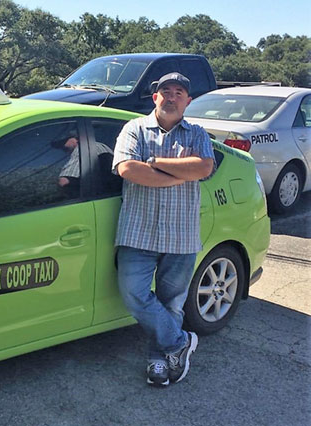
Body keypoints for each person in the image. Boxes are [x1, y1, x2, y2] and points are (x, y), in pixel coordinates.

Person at [111, 72, 215, 387]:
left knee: (172, 303)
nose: (171, 97)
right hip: (137, 233)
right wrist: (178, 174)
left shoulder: (197, 133)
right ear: (155, 97)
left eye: (178, 92)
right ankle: (180, 342)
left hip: (181, 236)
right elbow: (128, 169)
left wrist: (155, 162)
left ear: (188, 101)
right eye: (165, 91)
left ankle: (160, 359)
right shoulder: (134, 129)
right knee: (133, 294)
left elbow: (204, 167)